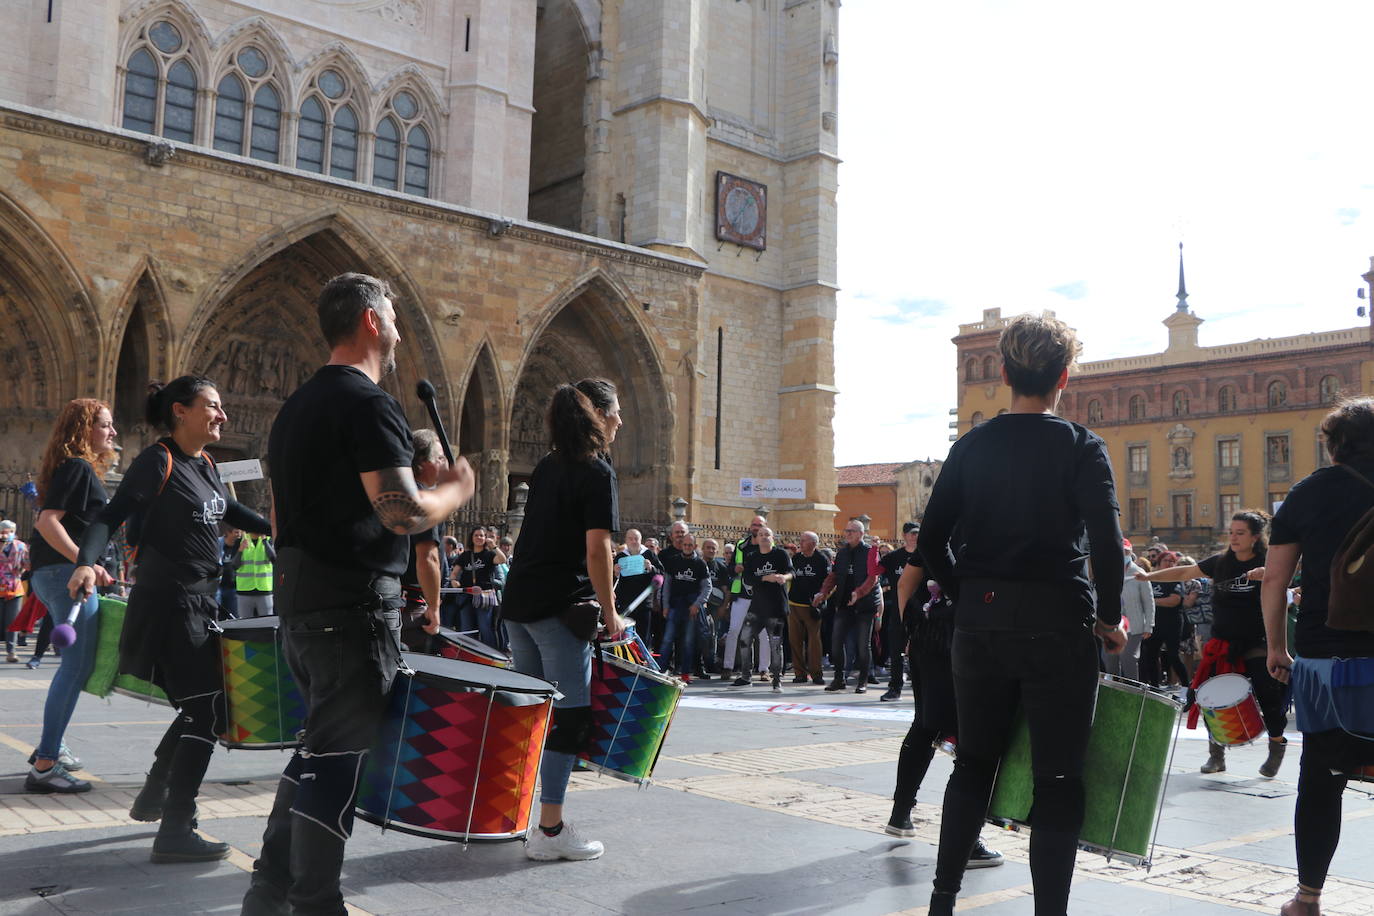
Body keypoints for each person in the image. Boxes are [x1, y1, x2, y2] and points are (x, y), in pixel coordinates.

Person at [241, 274, 473, 914]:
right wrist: (455, 489)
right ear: (371, 322)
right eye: (394, 316)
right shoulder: (367, 404)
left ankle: (267, 891)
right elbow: (399, 511)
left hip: (302, 602)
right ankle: (315, 902)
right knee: (336, 762)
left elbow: (281, 518)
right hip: (350, 609)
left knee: (317, 750)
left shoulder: (295, 408)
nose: (399, 329)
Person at [917, 313, 1125, 916]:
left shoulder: (970, 445)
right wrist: (1109, 617)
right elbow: (1108, 546)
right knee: (1058, 778)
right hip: (1058, 622)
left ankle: (942, 900)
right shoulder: (1082, 446)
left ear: (1004, 372)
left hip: (979, 624)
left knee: (973, 764)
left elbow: (930, 541)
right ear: (1064, 377)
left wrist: (965, 592)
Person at [67, 379, 272, 863]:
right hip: (170, 603)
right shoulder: (157, 461)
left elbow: (231, 509)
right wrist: (84, 560)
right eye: (213, 407)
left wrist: (276, 526)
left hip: (201, 603)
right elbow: (109, 515)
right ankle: (176, 826)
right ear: (181, 412)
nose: (222, 415)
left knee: (204, 705)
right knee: (208, 709)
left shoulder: (204, 464)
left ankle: (157, 794)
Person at [502, 378, 628, 862]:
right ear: (597, 414)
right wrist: (612, 613)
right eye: (614, 412)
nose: (619, 421)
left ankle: (521, 816)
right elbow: (597, 548)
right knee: (568, 721)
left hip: (520, 604)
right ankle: (550, 832)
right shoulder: (596, 470)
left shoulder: (548, 465)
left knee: (535, 717)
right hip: (558, 608)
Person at [1263, 397, 1374, 916]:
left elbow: (1277, 581)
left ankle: (1308, 899)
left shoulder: (1309, 492)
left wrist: (1276, 646)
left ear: (1333, 444)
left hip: (1325, 660)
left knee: (1322, 778)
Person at [1141, 511, 1285, 776]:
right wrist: (1148, 577)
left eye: (1240, 533)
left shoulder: (1270, 562)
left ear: (1256, 537)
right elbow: (1185, 571)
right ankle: (1216, 755)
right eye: (1231, 532)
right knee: (1209, 696)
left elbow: (1297, 572)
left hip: (1256, 639)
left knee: (1267, 694)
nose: (1234, 537)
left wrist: (1270, 574)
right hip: (1222, 640)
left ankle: (1277, 746)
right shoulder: (1220, 562)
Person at [886, 541, 1003, 868]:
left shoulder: (945, 522)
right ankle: (967, 840)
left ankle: (900, 813)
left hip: (930, 636)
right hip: (967, 639)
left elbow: (904, 583)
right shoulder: (991, 523)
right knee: (976, 740)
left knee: (925, 724)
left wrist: (911, 627)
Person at [23, 400, 117, 792]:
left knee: (71, 668)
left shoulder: (69, 467)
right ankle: (45, 764)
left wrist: (91, 563)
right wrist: (83, 562)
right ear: (84, 429)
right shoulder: (78, 467)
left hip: (56, 573)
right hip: (65, 575)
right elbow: (47, 521)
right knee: (75, 668)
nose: (112, 433)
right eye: (105, 425)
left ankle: (53, 747)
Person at [817, 519, 882, 693]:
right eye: (846, 531)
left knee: (863, 645)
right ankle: (839, 679)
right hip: (845, 603)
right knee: (836, 642)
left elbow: (873, 578)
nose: (848, 534)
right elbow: (834, 576)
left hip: (865, 605)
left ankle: (863, 681)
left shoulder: (869, 552)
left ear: (861, 534)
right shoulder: (842, 553)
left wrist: (859, 593)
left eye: (852, 531)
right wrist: (823, 592)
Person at [399, 429, 447, 651]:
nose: (445, 463)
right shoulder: (424, 499)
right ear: (423, 463)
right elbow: (428, 559)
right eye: (439, 458)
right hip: (412, 607)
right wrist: (434, 607)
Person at [730, 526, 792, 692]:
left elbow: (791, 572)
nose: (764, 537)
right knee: (744, 639)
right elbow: (748, 579)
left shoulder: (780, 554)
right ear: (757, 539)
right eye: (761, 535)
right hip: (756, 607)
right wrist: (767, 577)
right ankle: (745, 676)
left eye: (767, 535)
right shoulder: (752, 557)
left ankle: (777, 679)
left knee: (775, 644)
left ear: (773, 538)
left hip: (776, 608)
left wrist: (783, 577)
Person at [658, 532, 711, 682]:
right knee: (667, 639)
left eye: (690, 545)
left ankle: (685, 674)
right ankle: (660, 670)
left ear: (694, 546)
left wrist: (697, 604)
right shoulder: (673, 561)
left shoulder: (700, 564)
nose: (687, 547)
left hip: (691, 608)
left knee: (688, 642)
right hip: (675, 606)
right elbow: (666, 586)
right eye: (685, 544)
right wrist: (665, 605)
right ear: (682, 545)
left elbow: (707, 587)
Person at [721, 516, 765, 680]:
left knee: (763, 635)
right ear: (750, 526)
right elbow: (730, 569)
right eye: (754, 524)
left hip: (761, 596)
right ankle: (727, 666)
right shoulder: (741, 545)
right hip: (742, 595)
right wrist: (735, 568)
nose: (756, 527)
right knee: (733, 630)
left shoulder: (770, 546)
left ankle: (763, 669)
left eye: (759, 525)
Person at [879, 523, 919, 700]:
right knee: (896, 651)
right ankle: (895, 687)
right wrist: (873, 549)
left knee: (920, 652)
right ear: (904, 535)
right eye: (911, 533)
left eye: (918, 533)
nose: (915, 537)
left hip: (921, 612)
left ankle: (921, 688)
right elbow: (874, 571)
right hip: (898, 611)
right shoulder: (894, 557)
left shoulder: (926, 555)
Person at [1106, 538, 1154, 681]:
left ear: (1130, 553)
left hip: (1134, 625)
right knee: (1111, 661)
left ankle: (1132, 692)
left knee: (1128, 659)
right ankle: (1114, 692)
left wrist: (1149, 625)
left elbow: (1148, 601)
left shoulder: (1139, 572)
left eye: (1125, 551)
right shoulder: (1107, 572)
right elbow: (1099, 598)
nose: (1122, 554)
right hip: (1112, 625)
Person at [1140, 551, 1189, 691]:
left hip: (1172, 623)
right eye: (1166, 560)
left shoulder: (1176, 579)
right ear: (1159, 562)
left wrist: (1152, 601)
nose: (1169, 563)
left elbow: (1173, 601)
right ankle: (1155, 687)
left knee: (1173, 656)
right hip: (1155, 622)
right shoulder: (1152, 579)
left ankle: (1187, 688)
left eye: (1172, 561)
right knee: (1151, 655)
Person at [787, 531, 830, 685]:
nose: (801, 543)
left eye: (804, 540)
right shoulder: (796, 558)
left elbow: (828, 583)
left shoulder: (821, 560)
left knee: (814, 642)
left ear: (813, 543)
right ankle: (800, 673)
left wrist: (821, 598)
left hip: (812, 606)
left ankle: (816, 673)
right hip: (794, 604)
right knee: (795, 640)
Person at [613, 528, 661, 644]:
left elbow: (661, 574)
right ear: (626, 540)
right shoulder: (620, 557)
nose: (633, 541)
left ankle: (642, 661)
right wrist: (615, 573)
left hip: (644, 603)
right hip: (625, 604)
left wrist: (651, 568)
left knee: (643, 637)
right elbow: (612, 581)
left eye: (636, 539)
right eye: (630, 539)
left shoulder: (649, 554)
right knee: (625, 639)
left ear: (641, 540)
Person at [1, 520, 29, 664]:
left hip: (14, 588)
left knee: (12, 621)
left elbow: (27, 564)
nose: (7, 534)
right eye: (4, 531)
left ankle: (11, 651)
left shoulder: (21, 546)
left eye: (10, 531)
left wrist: (21, 570)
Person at [231, 528, 276, 618]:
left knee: (267, 624)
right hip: (244, 591)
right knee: (245, 625)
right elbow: (234, 566)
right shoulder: (240, 541)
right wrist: (240, 550)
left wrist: (265, 542)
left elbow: (274, 559)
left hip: (264, 590)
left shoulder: (268, 540)